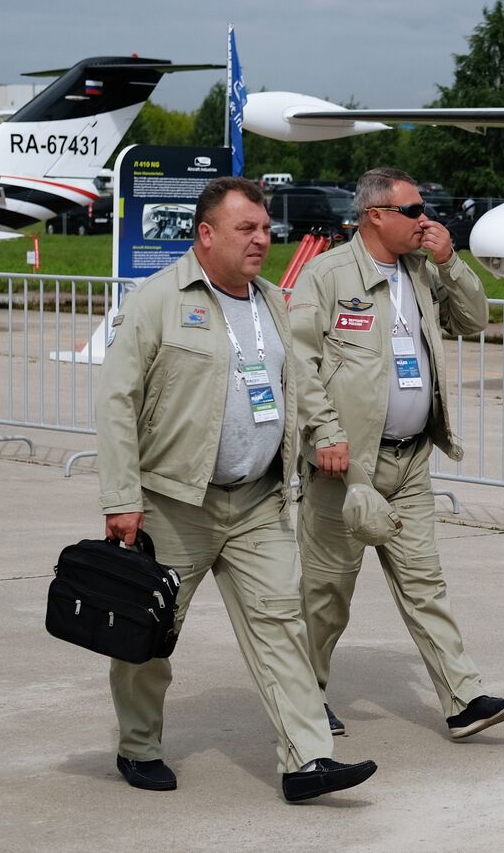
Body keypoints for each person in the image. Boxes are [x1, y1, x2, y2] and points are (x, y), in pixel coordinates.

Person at [94, 176, 377, 802]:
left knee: (282, 627)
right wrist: (121, 497)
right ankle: (138, 746)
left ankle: (307, 762)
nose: (261, 239)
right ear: (205, 234)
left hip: (257, 501)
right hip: (173, 504)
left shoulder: (275, 303)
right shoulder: (156, 301)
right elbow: (117, 400)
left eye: (263, 228)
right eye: (245, 228)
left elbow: (298, 386)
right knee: (150, 633)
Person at [289, 167, 504, 740]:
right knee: (326, 598)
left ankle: (463, 699)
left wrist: (451, 263)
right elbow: (299, 365)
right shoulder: (327, 276)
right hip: (345, 469)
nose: (426, 220)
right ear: (376, 216)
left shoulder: (421, 271)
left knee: (426, 586)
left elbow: (473, 319)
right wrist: (325, 436)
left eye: (425, 209)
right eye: (414, 211)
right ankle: (304, 699)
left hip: (411, 460)